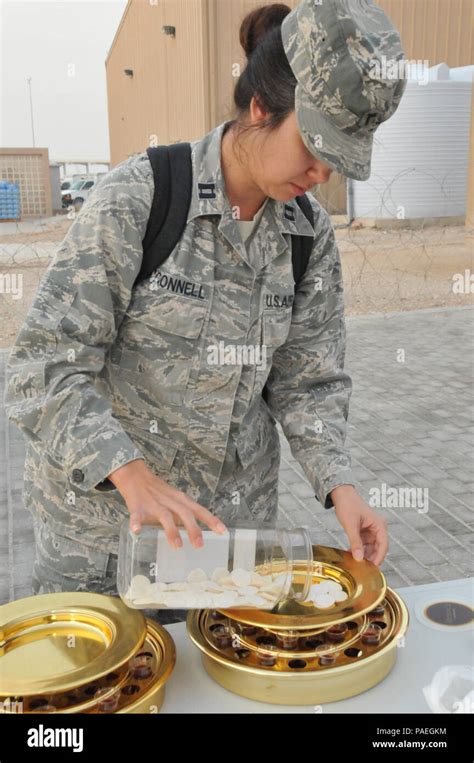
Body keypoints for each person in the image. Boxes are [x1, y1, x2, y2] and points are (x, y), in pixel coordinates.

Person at [3, 0, 407, 625]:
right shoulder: (142, 199)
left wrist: (339, 485)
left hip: (227, 545)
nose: (322, 171)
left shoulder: (307, 233)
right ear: (260, 108)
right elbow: (42, 368)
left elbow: (308, 381)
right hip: (101, 546)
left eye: (340, 159)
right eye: (314, 143)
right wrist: (130, 473)